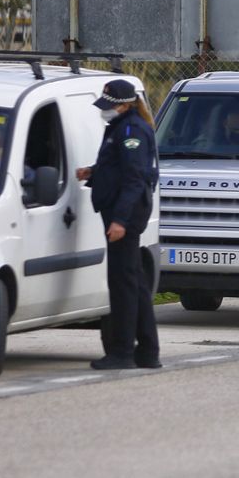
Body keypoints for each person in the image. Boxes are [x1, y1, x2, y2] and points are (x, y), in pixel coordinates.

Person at [76, 79, 161, 369]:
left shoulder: (131, 130)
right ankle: (148, 352)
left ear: (125, 105)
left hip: (125, 215)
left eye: (110, 105)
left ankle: (122, 352)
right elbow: (118, 166)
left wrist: (120, 221)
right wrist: (93, 172)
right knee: (134, 282)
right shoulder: (121, 126)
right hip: (122, 212)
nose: (105, 110)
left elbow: (134, 178)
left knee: (122, 284)